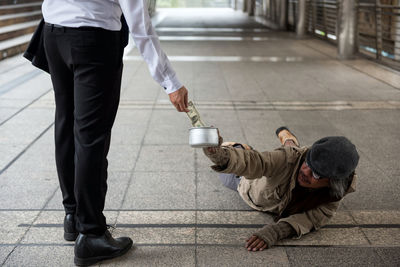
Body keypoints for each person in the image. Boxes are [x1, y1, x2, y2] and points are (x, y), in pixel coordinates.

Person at [26, 1, 189, 265]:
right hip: (94, 40)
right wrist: (171, 82)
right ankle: (90, 233)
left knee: (66, 125)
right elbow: (140, 24)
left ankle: (73, 215)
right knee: (90, 137)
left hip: (54, 34)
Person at [203, 127, 359, 251]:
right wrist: (219, 155)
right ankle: (237, 146)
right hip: (245, 182)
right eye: (307, 163)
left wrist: (276, 231)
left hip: (285, 165)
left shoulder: (334, 193)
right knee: (229, 173)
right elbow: (256, 162)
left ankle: (288, 139)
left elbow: (312, 218)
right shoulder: (288, 159)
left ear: (332, 183)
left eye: (316, 175)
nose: (305, 172)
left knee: (291, 150)